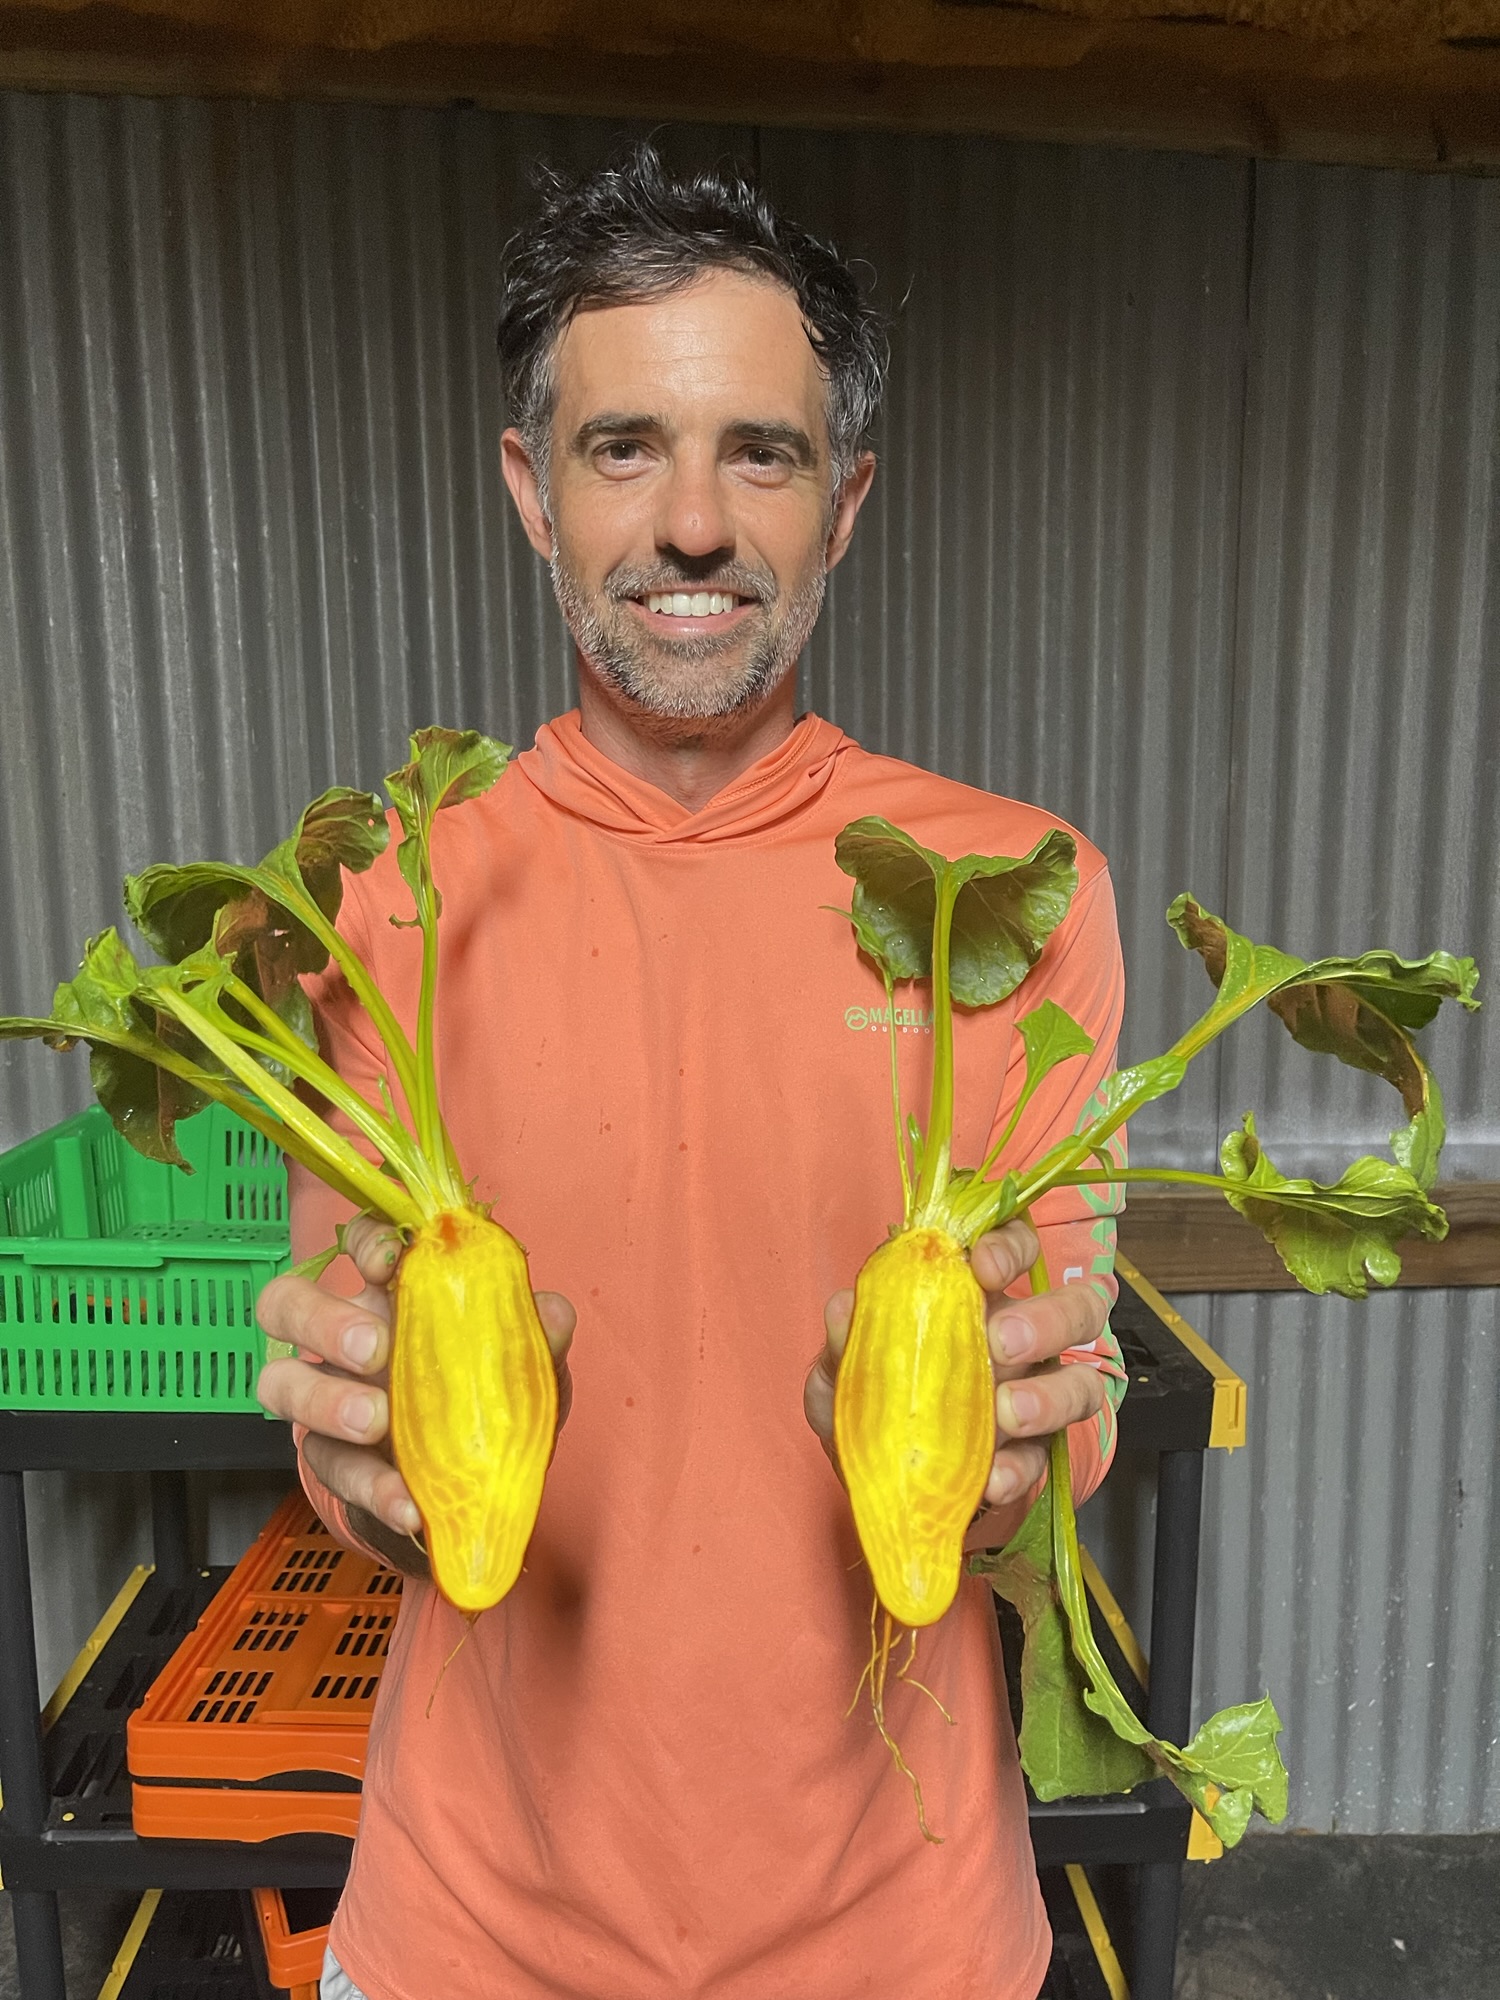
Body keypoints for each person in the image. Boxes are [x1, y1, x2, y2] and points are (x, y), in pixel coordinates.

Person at [257, 146, 1127, 2000]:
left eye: (764, 454)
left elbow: (1077, 1393)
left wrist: (1020, 1456)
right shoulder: (385, 894)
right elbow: (356, 1410)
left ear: (847, 500)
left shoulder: (1016, 892)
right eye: (624, 447)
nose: (695, 525)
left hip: (905, 1940)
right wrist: (346, 1458)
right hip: (467, 1938)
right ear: (532, 489)